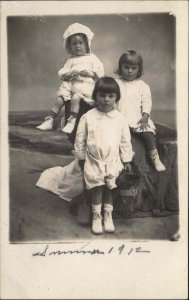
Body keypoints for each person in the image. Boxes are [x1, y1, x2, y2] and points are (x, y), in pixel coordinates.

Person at [73, 77, 133, 234]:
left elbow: (125, 140)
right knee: (97, 188)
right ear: (95, 96)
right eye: (102, 95)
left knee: (109, 188)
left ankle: (108, 216)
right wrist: (80, 157)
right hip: (94, 159)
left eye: (111, 96)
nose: (106, 100)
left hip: (112, 160)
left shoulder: (119, 118)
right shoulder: (88, 117)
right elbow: (80, 138)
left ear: (116, 98)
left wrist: (126, 160)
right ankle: (96, 217)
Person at [37, 23, 104, 134]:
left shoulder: (92, 58)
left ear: (87, 44)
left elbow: (100, 74)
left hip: (85, 86)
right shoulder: (70, 60)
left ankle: (71, 121)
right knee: (60, 99)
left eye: (81, 43)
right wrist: (69, 74)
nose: (77, 46)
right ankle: (49, 120)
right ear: (69, 46)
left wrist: (91, 74)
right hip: (71, 85)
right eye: (74, 44)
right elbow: (62, 72)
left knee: (76, 97)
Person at [116, 50, 166, 172]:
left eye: (133, 68)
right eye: (126, 67)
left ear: (139, 69)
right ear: (120, 67)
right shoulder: (116, 83)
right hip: (120, 117)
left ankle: (155, 158)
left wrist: (145, 116)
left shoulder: (142, 85)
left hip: (137, 118)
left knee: (147, 134)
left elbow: (146, 102)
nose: (129, 71)